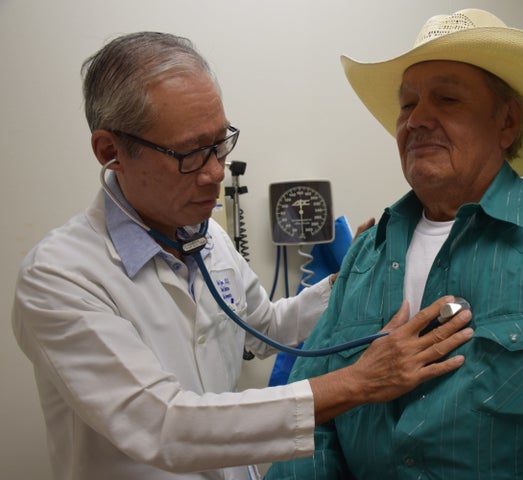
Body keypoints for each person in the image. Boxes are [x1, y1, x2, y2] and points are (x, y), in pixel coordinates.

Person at [11, 32, 475, 480]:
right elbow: (162, 424)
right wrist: (358, 382)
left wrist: (349, 277)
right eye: (190, 154)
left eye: (220, 143)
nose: (215, 172)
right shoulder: (59, 277)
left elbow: (266, 328)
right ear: (111, 151)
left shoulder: (205, 238)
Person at [266, 8, 523, 479]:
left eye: (447, 99)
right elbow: (307, 419)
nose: (417, 119)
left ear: (506, 123)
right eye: (407, 104)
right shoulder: (366, 254)